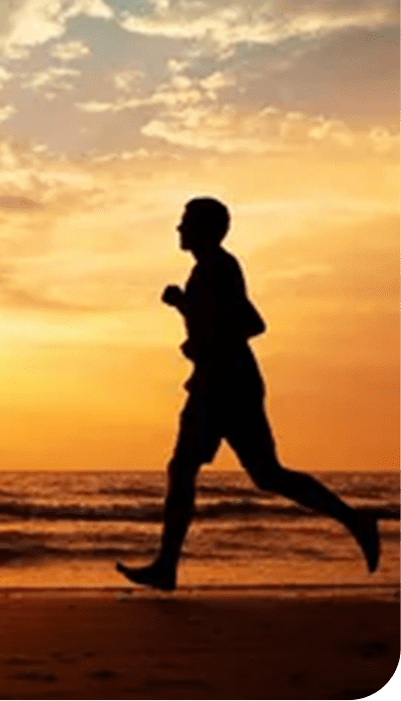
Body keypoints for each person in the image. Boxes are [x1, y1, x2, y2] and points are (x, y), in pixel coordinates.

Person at [116, 197, 380, 591]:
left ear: (207, 229)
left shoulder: (221, 268)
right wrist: (185, 309)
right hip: (218, 382)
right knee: (255, 474)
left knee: (199, 468)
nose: (179, 229)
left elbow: (252, 324)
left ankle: (167, 566)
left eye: (186, 222)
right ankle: (167, 566)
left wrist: (199, 334)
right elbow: (215, 321)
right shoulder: (205, 271)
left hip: (226, 386)